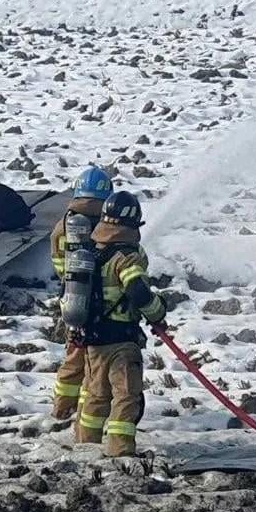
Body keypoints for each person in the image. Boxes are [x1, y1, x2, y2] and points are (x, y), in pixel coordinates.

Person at [74, 191, 166, 457]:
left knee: (96, 395)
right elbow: (138, 291)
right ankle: (121, 450)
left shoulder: (93, 250)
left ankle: (86, 449)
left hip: (93, 339)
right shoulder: (126, 256)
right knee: (126, 396)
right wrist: (158, 311)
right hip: (120, 341)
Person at [50, 167, 114, 420]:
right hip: (103, 303)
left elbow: (59, 265)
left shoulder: (63, 226)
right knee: (94, 359)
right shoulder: (108, 223)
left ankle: (62, 406)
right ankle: (88, 412)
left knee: (74, 354)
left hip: (73, 299)